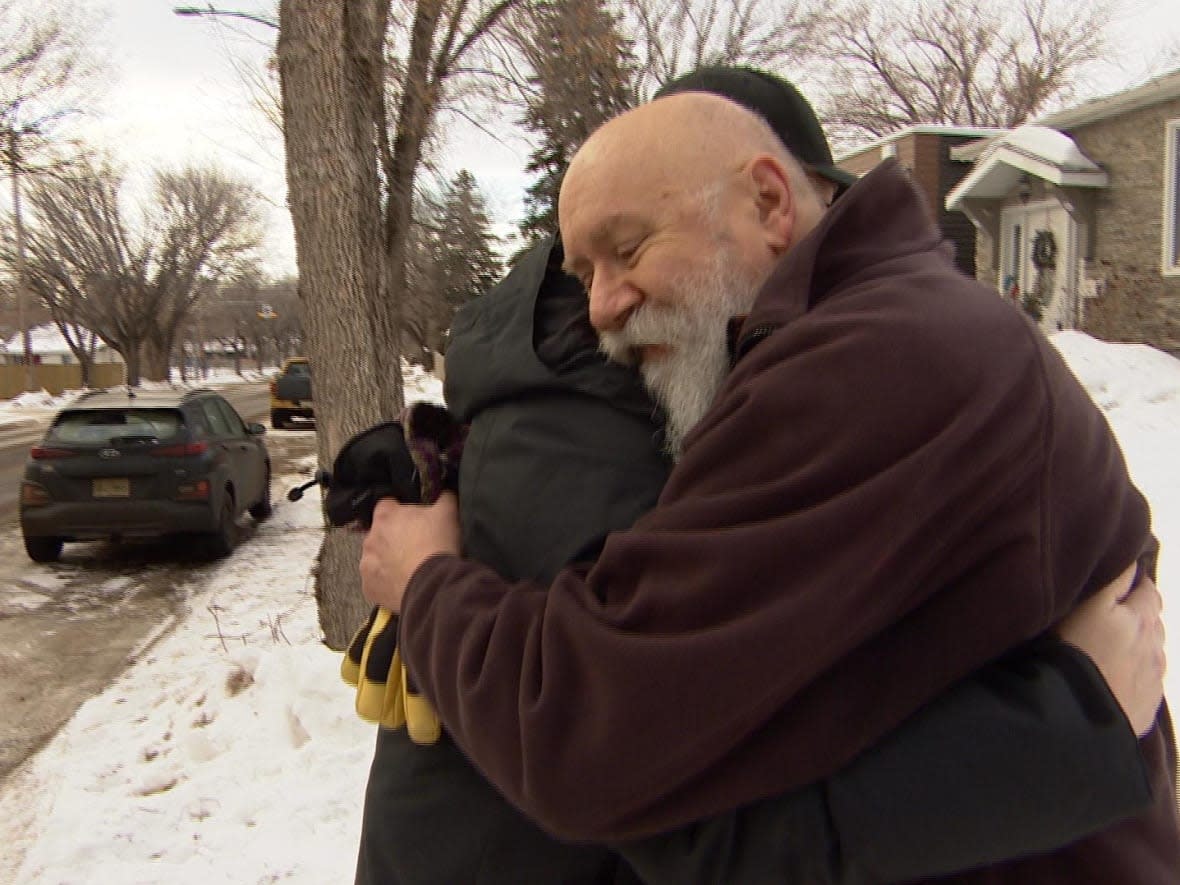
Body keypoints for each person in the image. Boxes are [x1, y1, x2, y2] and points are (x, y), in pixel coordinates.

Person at [358, 70, 1179, 881]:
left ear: (771, 203)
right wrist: (1067, 729)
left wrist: (426, 580)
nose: (602, 305)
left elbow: (588, 733)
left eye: (629, 246)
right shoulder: (868, 333)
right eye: (582, 274)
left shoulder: (873, 359)